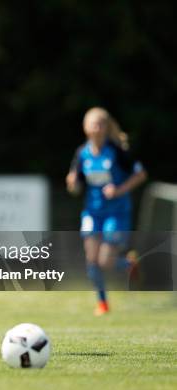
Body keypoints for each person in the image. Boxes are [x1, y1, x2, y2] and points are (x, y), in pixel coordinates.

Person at [66, 107, 147, 316]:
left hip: (116, 213)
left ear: (106, 127)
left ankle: (128, 263)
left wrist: (119, 190)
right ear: (85, 128)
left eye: (101, 124)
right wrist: (72, 182)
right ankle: (102, 302)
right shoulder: (82, 153)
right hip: (92, 213)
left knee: (105, 262)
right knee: (91, 260)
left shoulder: (117, 151)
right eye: (93, 124)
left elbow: (140, 175)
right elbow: (75, 188)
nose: (97, 128)